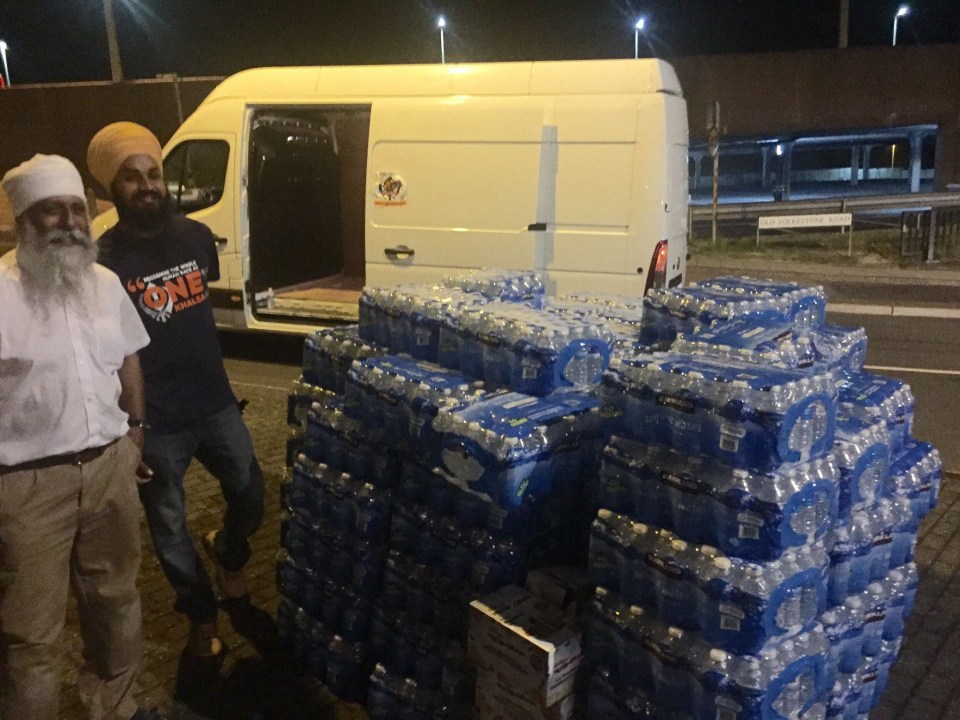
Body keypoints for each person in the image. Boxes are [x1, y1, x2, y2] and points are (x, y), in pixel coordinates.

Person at [87, 122, 265, 660]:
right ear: (110, 190)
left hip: (214, 401)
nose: (147, 186)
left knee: (252, 496)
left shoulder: (195, 238)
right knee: (167, 529)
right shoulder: (101, 263)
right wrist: (128, 429)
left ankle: (227, 551)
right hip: (155, 421)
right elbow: (107, 354)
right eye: (131, 177)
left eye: (153, 174)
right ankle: (201, 613)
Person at [0, 154, 161, 720]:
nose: (69, 221)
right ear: (25, 221)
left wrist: (135, 432)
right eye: (52, 211)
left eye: (76, 209)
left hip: (110, 470)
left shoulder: (105, 283)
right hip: (26, 486)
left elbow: (130, 358)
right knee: (31, 632)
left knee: (116, 603)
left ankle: (113, 708)